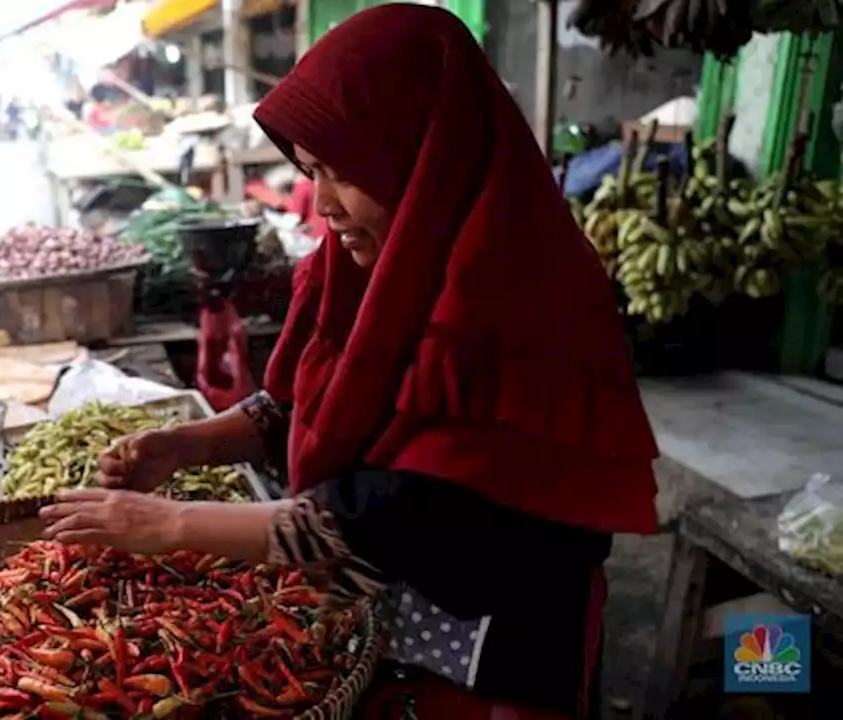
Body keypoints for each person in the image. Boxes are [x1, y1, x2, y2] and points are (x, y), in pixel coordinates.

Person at [39, 5, 659, 719]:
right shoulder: (366, 261)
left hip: (499, 642)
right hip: (395, 617)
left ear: (423, 155)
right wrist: (185, 443)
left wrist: (165, 525)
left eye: (341, 171)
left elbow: (391, 514)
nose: (322, 204)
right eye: (308, 171)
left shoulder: (521, 295)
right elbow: (308, 401)